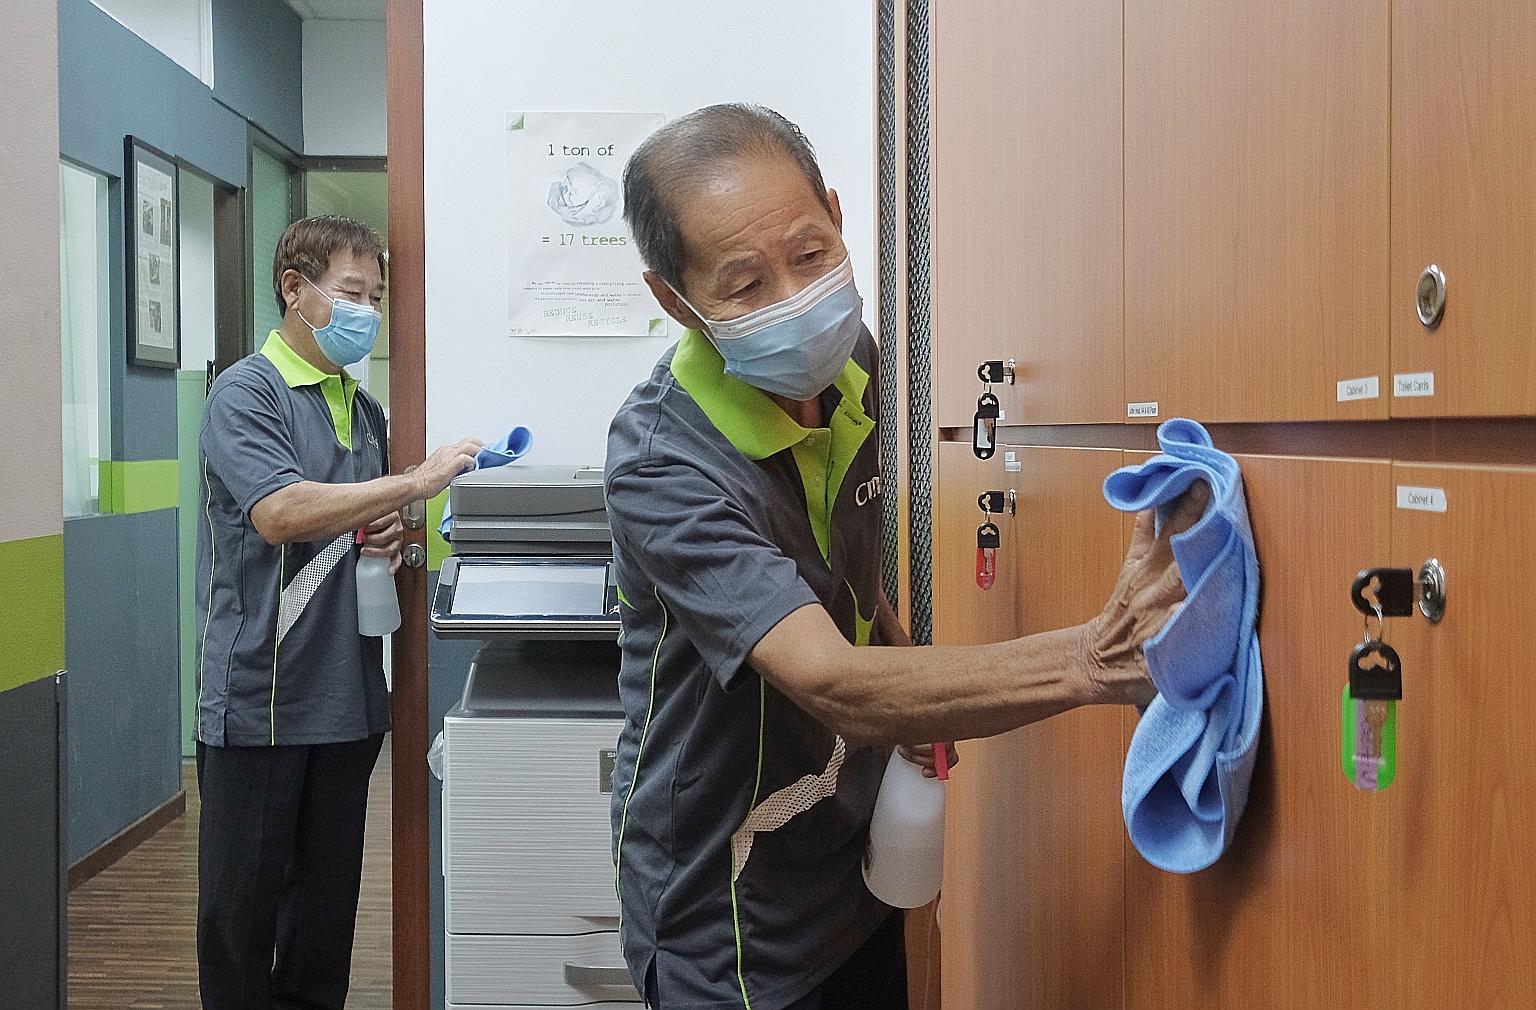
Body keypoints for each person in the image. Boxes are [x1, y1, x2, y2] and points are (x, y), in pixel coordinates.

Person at [604, 105, 1203, 1010]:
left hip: (854, 856)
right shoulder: (665, 464)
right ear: (675, 300)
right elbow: (828, 679)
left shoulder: (853, 364)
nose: (793, 301)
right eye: (745, 284)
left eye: (809, 254)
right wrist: (1095, 657)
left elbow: (844, 566)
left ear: (837, 216)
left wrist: (905, 660)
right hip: (728, 907)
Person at [194, 215, 483, 1010]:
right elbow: (280, 512)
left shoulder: (363, 407)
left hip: (347, 702)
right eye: (353, 292)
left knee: (323, 924)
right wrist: (414, 484)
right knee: (241, 922)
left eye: (377, 297)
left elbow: (354, 517)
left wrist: (388, 525)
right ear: (295, 289)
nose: (369, 311)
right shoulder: (247, 392)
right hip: (261, 700)